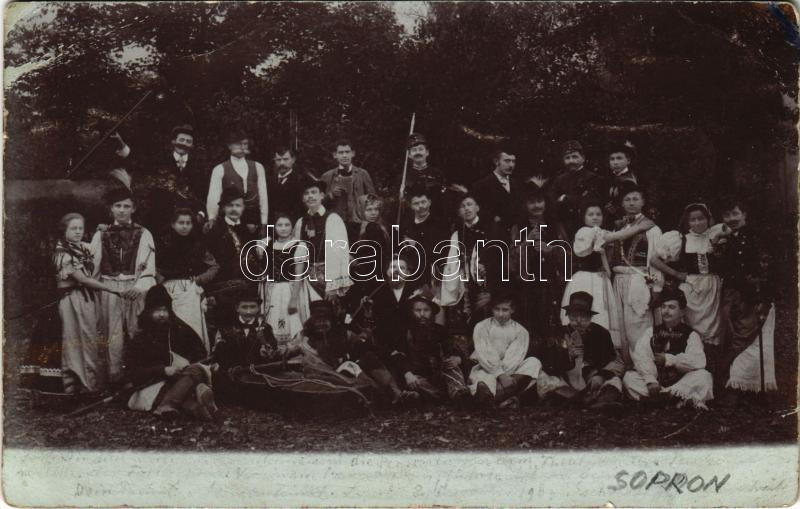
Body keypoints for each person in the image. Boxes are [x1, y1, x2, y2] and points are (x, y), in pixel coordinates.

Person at [559, 200, 656, 350]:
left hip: (600, 278)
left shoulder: (601, 232)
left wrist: (606, 272)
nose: (595, 217)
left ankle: (598, 348)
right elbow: (617, 236)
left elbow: (605, 259)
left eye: (598, 214)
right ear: (584, 217)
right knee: (584, 309)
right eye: (590, 214)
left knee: (601, 312)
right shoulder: (584, 232)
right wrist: (639, 227)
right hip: (585, 278)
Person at [91, 187, 156, 383]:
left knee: (136, 330)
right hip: (109, 289)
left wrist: (140, 287)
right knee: (112, 333)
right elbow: (93, 267)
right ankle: (114, 377)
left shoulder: (143, 233)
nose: (121, 210)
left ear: (133, 208)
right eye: (117, 206)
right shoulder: (101, 234)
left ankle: (140, 376)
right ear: (111, 208)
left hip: (134, 288)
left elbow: (148, 266)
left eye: (126, 206)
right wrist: (95, 291)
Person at [714, 198, 776, 405]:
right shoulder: (725, 240)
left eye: (735, 213)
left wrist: (762, 298)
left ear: (744, 215)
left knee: (752, 342)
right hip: (732, 298)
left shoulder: (757, 238)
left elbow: (766, 269)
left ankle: (751, 388)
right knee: (732, 337)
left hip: (754, 298)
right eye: (727, 215)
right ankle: (733, 385)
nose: (731, 218)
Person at [123, 285, 217, 421]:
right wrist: (163, 370)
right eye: (157, 310)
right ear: (149, 311)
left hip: (180, 380)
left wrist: (187, 365)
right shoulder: (140, 339)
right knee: (186, 396)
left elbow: (199, 353)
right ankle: (190, 405)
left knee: (196, 370)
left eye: (164, 310)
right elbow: (132, 374)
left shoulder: (179, 330)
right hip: (151, 386)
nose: (162, 314)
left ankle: (172, 405)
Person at [54, 213, 120, 393]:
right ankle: (77, 384)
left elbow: (98, 246)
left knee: (90, 338)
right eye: (73, 228)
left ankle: (92, 383)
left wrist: (104, 230)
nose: (77, 232)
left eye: (80, 228)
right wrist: (111, 289)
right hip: (73, 300)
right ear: (64, 230)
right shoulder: (62, 253)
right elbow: (83, 279)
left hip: (87, 298)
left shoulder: (82, 247)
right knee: (76, 339)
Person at [649, 203, 726, 352]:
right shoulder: (681, 239)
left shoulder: (714, 235)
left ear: (708, 219)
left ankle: (711, 356)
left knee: (713, 325)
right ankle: (691, 353)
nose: (697, 223)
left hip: (712, 287)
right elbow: (654, 260)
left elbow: (729, 228)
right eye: (693, 220)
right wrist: (676, 274)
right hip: (691, 286)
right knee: (691, 323)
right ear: (687, 222)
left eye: (701, 218)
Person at [623, 288, 714, 409]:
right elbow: (641, 356)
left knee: (704, 376)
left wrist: (670, 360)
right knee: (629, 377)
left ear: (682, 312)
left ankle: (661, 399)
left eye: (671, 307)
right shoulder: (651, 331)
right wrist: (650, 380)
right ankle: (676, 400)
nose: (666, 311)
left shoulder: (690, 334)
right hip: (656, 382)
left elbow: (699, 361)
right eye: (663, 307)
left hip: (681, 382)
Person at [537, 292, 625, 410]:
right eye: (574, 316)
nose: (578, 321)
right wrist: (567, 356)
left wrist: (601, 375)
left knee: (614, 381)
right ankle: (579, 400)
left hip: (591, 378)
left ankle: (602, 402)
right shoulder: (560, 333)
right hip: (566, 379)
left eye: (583, 316)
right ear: (568, 316)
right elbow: (550, 363)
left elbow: (613, 360)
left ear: (590, 317)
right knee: (546, 378)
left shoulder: (601, 333)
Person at [607, 184, 662, 363]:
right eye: (627, 199)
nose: (631, 203)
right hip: (618, 281)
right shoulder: (618, 227)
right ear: (622, 203)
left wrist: (656, 288)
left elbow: (655, 260)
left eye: (635, 199)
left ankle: (644, 368)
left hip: (639, 281)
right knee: (619, 326)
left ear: (643, 201)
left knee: (638, 326)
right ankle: (626, 367)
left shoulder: (651, 228)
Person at [388, 287, 469, 403]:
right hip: (417, 376)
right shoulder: (405, 333)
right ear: (411, 312)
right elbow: (397, 355)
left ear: (432, 312)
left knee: (452, 368)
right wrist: (407, 373)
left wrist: (457, 359)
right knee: (415, 382)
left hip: (439, 374)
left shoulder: (440, 331)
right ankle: (441, 396)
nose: (422, 314)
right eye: (418, 310)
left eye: (426, 310)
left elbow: (453, 349)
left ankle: (459, 393)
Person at [156, 208, 219, 354]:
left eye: (188, 223)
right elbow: (153, 266)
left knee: (191, 325)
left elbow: (214, 266)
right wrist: (160, 279)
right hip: (167, 289)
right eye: (181, 223)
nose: (184, 226)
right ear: (173, 224)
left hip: (189, 289)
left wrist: (199, 279)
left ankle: (194, 359)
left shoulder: (197, 244)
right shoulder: (163, 243)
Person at [510, 183, 568, 342]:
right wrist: (526, 243)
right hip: (528, 289)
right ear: (525, 205)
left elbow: (568, 255)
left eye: (539, 201)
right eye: (531, 202)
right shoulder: (518, 228)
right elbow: (512, 261)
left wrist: (551, 250)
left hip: (553, 286)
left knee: (552, 327)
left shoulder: (556, 226)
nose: (536, 206)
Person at [293, 179, 353, 322]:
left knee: (330, 316)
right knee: (311, 317)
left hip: (327, 277)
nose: (310, 196)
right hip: (307, 279)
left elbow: (339, 254)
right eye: (306, 193)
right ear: (302, 198)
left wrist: (333, 286)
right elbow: (297, 253)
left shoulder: (333, 219)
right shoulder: (301, 222)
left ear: (321, 195)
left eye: (314, 192)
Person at [469, 293, 542, 409]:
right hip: (486, 367)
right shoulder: (482, 326)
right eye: (497, 309)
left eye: (505, 310)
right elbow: (484, 353)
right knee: (483, 379)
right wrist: (500, 374)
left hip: (511, 371)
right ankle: (497, 396)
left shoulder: (521, 331)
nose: (500, 314)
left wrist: (505, 376)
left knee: (534, 362)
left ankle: (493, 397)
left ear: (512, 310)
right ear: (492, 309)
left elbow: (515, 357)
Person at [438, 193, 497, 332]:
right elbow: (451, 260)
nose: (466, 208)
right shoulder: (457, 233)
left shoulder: (490, 229)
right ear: (459, 212)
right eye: (462, 206)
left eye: (469, 204)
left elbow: (497, 254)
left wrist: (486, 265)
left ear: (477, 207)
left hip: (486, 280)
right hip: (464, 281)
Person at [205, 187, 259, 331]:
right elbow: (210, 263)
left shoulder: (248, 230)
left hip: (247, 288)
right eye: (230, 205)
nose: (234, 209)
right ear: (223, 208)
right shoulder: (214, 230)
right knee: (227, 328)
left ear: (243, 207)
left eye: (237, 205)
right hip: (224, 288)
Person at [137, 124, 209, 232]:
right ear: (173, 141)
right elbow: (139, 165)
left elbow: (204, 194)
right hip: (160, 221)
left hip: (189, 222)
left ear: (192, 146)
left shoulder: (200, 167)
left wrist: (201, 214)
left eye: (188, 141)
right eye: (181, 140)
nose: (184, 144)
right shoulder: (159, 160)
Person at [206, 131, 269, 236]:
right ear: (229, 146)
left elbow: (263, 197)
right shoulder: (219, 169)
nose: (242, 147)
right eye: (238, 144)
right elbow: (214, 196)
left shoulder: (258, 167)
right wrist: (212, 218)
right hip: (230, 218)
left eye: (245, 144)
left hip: (253, 221)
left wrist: (264, 223)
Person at [257, 212, 304, 346]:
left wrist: (293, 300)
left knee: (289, 318)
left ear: (292, 227)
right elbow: (263, 265)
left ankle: (290, 349)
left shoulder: (299, 245)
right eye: (280, 225)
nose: (283, 228)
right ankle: (271, 347)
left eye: (287, 225)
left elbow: (298, 275)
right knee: (271, 319)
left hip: (289, 289)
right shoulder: (266, 243)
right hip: (270, 289)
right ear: (274, 226)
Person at [550, 140, 604, 238]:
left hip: (586, 227)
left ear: (583, 158)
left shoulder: (592, 178)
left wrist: (566, 198)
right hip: (565, 227)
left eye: (575, 157)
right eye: (567, 158)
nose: (571, 161)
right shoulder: (559, 180)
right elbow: (553, 203)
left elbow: (591, 202)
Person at [400, 185, 449, 286]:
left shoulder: (439, 224)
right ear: (411, 205)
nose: (421, 206)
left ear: (429, 202)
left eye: (423, 202)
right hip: (408, 274)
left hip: (430, 274)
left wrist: (416, 245)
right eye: (416, 203)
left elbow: (440, 252)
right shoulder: (405, 224)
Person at [320, 139, 376, 223]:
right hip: (336, 222)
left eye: (347, 152)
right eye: (341, 153)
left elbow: (373, 200)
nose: (344, 155)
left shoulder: (362, 174)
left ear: (353, 153)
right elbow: (319, 203)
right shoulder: (327, 176)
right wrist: (331, 194)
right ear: (335, 155)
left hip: (359, 221)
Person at [472, 147, 522, 241]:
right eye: (507, 161)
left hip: (516, 236)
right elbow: (479, 212)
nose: (511, 165)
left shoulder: (517, 183)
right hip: (493, 236)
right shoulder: (481, 185)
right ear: (496, 161)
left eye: (513, 161)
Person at [396, 133, 448, 215]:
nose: (418, 152)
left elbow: (443, 201)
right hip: (411, 218)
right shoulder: (403, 177)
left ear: (427, 152)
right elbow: (399, 207)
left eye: (420, 149)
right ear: (409, 155)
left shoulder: (437, 174)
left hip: (435, 217)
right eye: (414, 150)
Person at [349, 193, 391, 285]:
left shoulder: (381, 227)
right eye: (369, 210)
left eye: (376, 209)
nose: (373, 213)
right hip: (360, 275)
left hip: (378, 272)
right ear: (360, 211)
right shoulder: (354, 228)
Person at [266, 146, 314, 223]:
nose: (282, 163)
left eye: (285, 159)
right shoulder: (269, 180)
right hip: (272, 223)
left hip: (293, 223)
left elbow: (304, 207)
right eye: (278, 160)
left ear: (293, 160)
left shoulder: (301, 180)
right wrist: (269, 228)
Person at [603, 140, 639, 222]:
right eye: (612, 159)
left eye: (619, 158)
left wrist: (615, 210)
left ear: (628, 160)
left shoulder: (629, 181)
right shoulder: (611, 178)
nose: (615, 162)